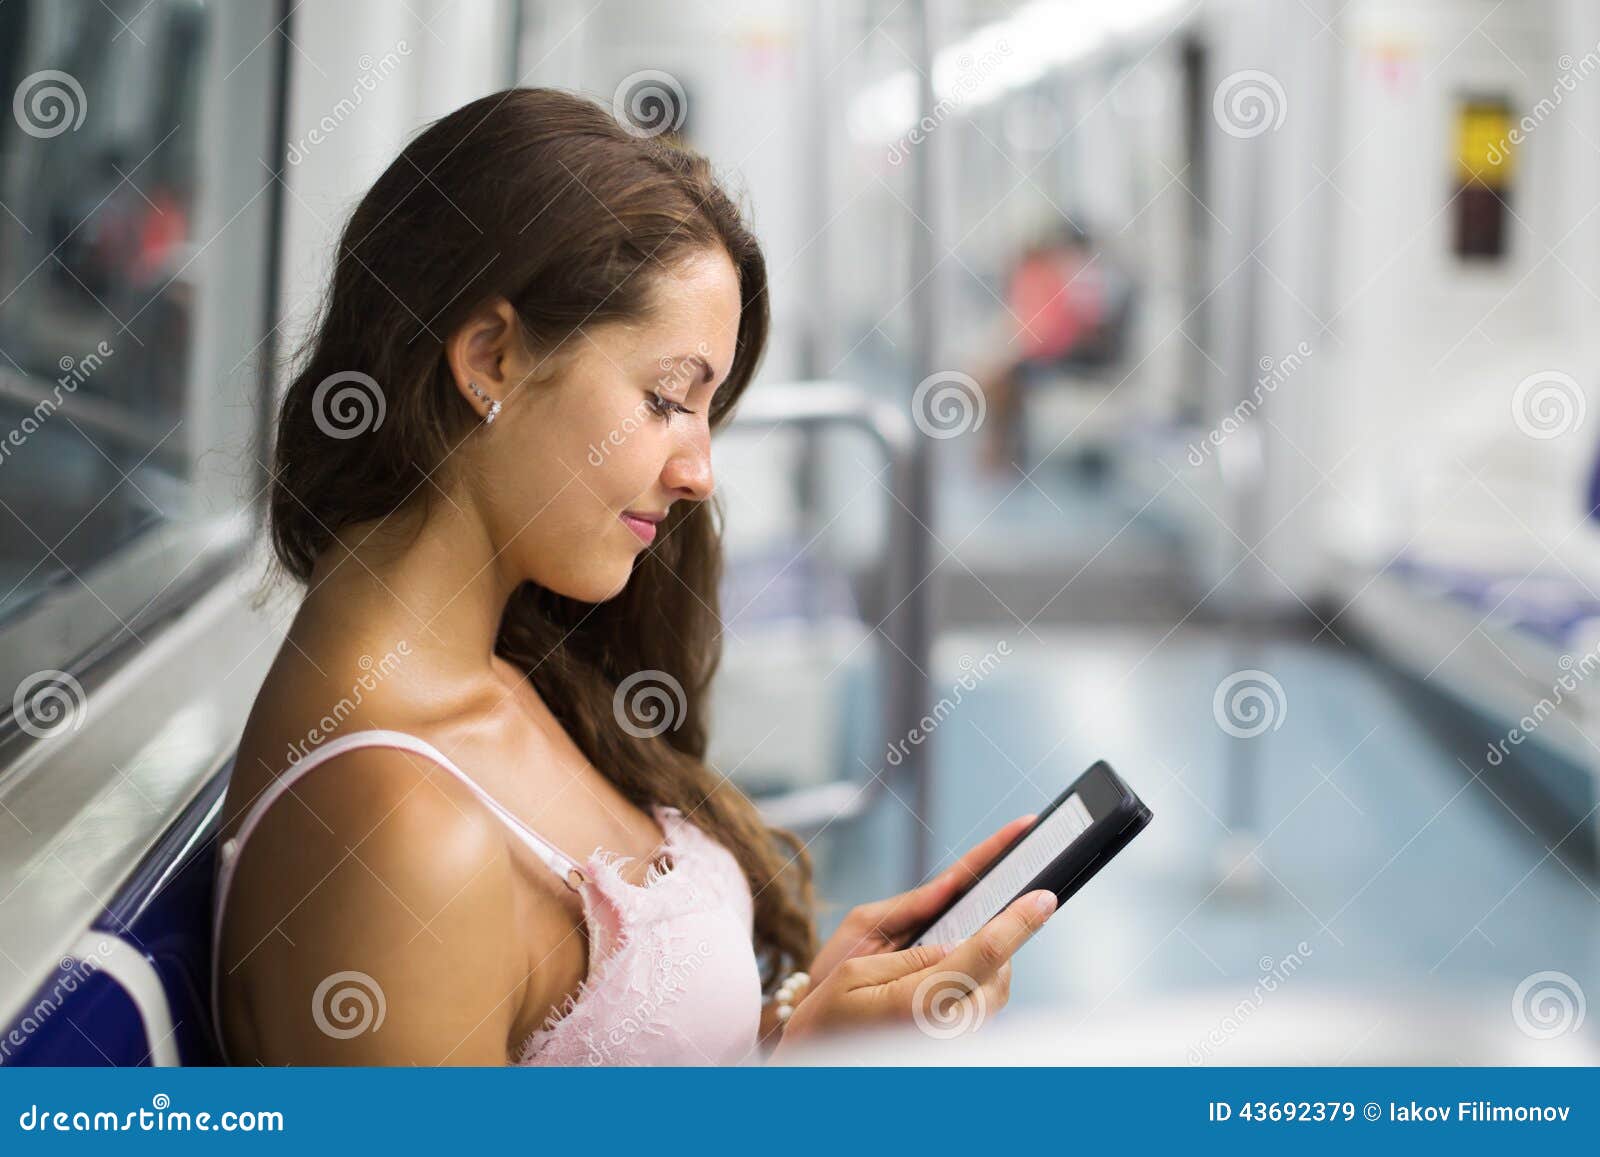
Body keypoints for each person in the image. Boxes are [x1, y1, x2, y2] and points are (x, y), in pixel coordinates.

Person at [211, 87, 1058, 1066]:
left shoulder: (489, 673)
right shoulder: (397, 840)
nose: (699, 470)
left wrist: (798, 1018)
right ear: (491, 357)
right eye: (665, 398)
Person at [974, 222, 1131, 475]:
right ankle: (1001, 454)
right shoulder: (1054, 276)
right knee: (1005, 375)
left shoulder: (1078, 277)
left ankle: (999, 455)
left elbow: (1065, 328)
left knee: (1006, 377)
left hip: (1077, 353)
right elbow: (1036, 322)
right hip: (1054, 348)